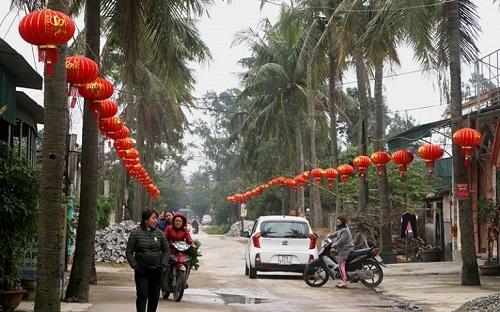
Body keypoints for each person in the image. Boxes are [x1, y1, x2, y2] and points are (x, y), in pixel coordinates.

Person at [126, 209, 169, 312]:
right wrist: (135, 266)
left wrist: (162, 266)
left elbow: (166, 251)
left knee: (154, 297)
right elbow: (129, 252)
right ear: (146, 220)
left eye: (156, 219)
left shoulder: (160, 234)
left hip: (156, 270)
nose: (155, 221)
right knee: (142, 294)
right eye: (153, 218)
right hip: (142, 271)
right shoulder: (135, 234)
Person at [327, 216, 355, 289]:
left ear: (342, 222)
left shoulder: (345, 230)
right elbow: (337, 233)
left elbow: (341, 241)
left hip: (346, 249)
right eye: (337, 222)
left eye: (339, 222)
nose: (338, 224)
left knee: (340, 264)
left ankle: (344, 281)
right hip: (344, 249)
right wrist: (329, 236)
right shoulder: (342, 229)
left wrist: (333, 245)